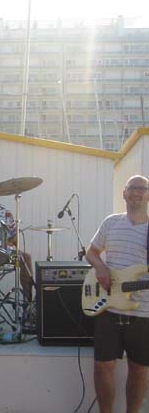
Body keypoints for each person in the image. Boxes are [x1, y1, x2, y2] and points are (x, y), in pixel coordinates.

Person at [86, 175, 149, 413]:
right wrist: (100, 267)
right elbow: (91, 252)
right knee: (103, 366)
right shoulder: (111, 222)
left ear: (148, 195)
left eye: (142, 188)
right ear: (124, 193)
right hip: (108, 306)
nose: (136, 192)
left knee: (139, 369)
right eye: (132, 188)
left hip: (143, 311)